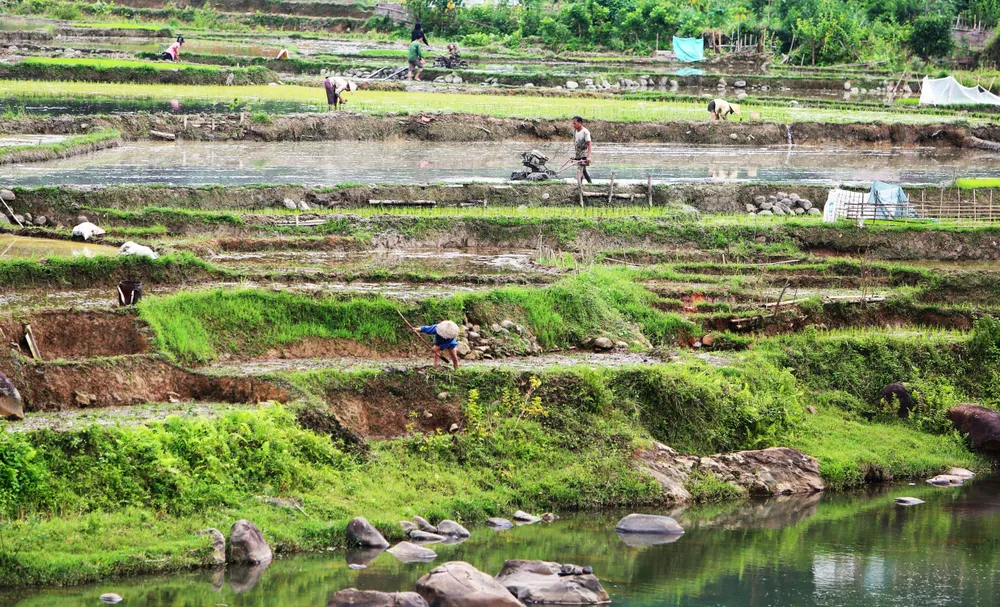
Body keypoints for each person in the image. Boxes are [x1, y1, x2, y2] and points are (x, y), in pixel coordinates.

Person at [570, 116, 593, 184]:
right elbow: (575, 142)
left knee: (580, 169)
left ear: (580, 123)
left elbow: (589, 144)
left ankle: (579, 185)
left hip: (584, 154)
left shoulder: (585, 132)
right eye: (573, 123)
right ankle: (590, 183)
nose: (573, 125)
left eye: (575, 123)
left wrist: (588, 157)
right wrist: (575, 156)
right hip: (578, 154)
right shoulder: (575, 131)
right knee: (583, 170)